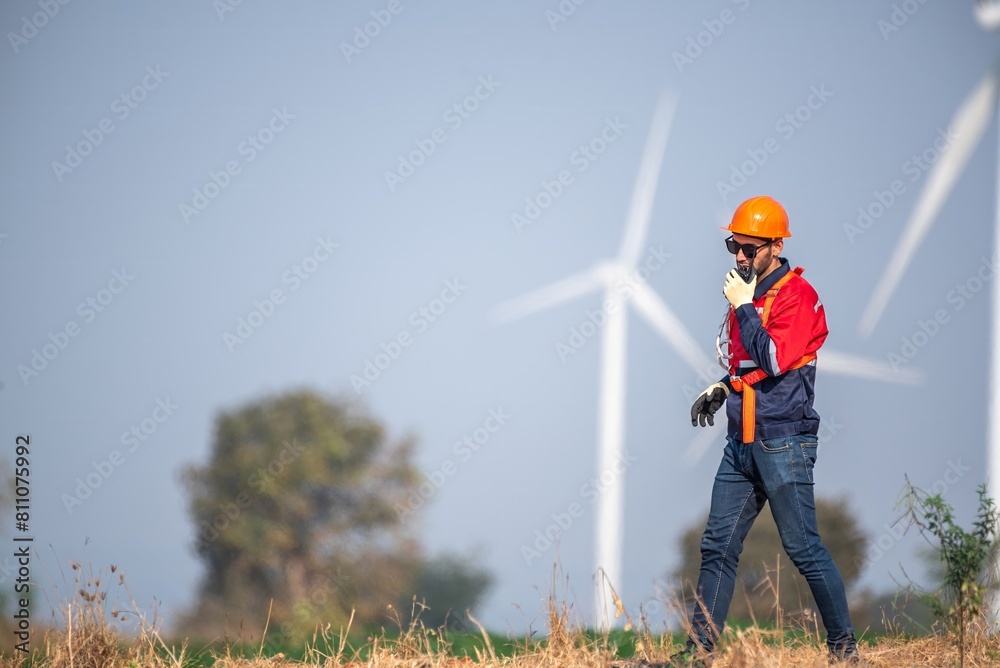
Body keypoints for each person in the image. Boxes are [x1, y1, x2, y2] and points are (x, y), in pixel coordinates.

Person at [674, 196, 861, 666]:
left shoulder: (796, 297)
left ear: (776, 246)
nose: (739, 256)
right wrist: (721, 387)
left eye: (749, 248)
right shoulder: (751, 296)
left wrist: (742, 309)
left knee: (803, 548)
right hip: (742, 443)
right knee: (717, 544)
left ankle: (844, 652)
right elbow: (749, 366)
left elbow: (776, 359)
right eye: (733, 246)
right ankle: (699, 653)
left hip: (783, 442)